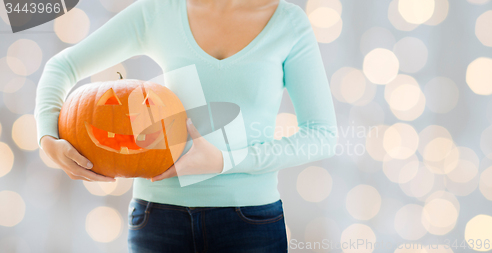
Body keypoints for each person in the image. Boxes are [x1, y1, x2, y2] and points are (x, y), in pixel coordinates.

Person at [35, 0, 338, 251]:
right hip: (156, 219)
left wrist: (224, 161)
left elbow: (321, 135)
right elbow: (62, 66)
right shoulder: (160, 11)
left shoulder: (288, 22)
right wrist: (47, 139)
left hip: (250, 223)